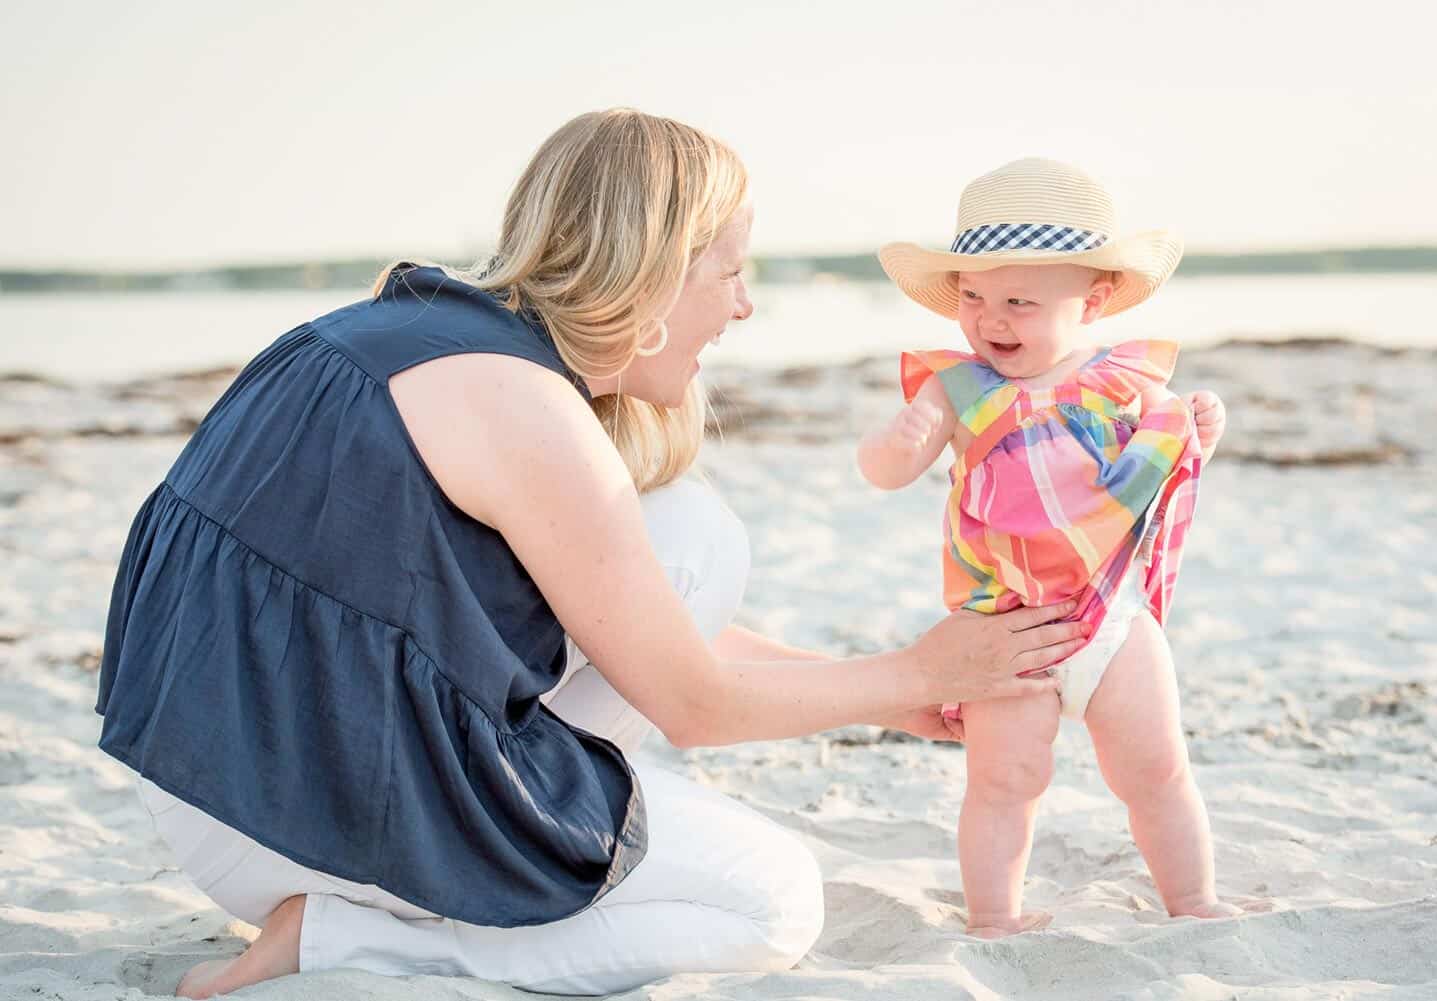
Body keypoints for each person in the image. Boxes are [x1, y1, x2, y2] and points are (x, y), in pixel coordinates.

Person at [95, 111, 1095, 998]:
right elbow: (694, 704)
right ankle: (348, 937)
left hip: (214, 769)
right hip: (293, 804)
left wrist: (882, 691)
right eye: (730, 272)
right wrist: (923, 667)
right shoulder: (524, 408)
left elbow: (633, 621)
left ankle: (450, 872)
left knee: (689, 533)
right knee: (773, 902)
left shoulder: (410, 334)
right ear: (656, 271)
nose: (744, 307)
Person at [860, 158, 1234, 937]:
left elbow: (1175, 444)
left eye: (1018, 301)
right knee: (1004, 782)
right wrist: (896, 442)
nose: (991, 319)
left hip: (1109, 618)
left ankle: (1194, 900)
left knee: (1156, 770)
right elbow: (890, 470)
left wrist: (1205, 420)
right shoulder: (957, 387)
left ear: (1093, 299)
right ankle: (994, 916)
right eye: (973, 297)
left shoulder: (1122, 378)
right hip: (1004, 631)